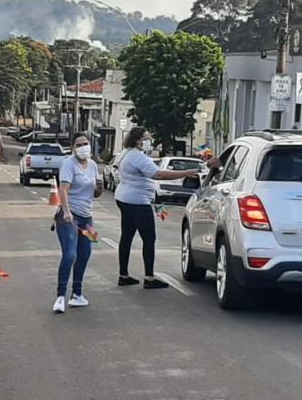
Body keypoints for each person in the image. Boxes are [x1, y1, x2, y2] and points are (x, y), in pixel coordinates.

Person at [114, 127, 200, 289]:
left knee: (127, 236)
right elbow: (158, 174)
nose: (149, 141)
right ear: (137, 140)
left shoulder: (126, 153)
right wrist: (185, 173)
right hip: (138, 201)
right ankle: (149, 277)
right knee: (149, 239)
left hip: (124, 198)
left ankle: (123, 275)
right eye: (146, 139)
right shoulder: (138, 157)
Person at [53, 133, 102, 314]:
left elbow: (95, 193)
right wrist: (66, 211)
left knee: (85, 254)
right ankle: (60, 296)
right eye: (79, 144)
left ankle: (77, 294)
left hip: (87, 217)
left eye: (85, 143)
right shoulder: (69, 164)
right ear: (73, 148)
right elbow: (63, 189)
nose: (83, 147)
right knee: (70, 255)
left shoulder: (93, 165)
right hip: (70, 216)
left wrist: (99, 188)